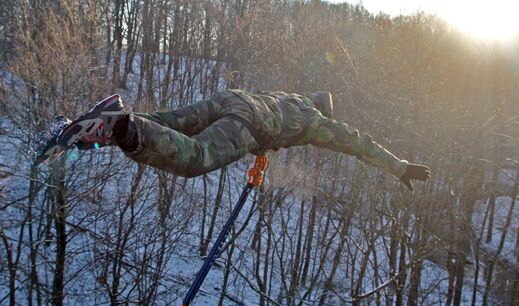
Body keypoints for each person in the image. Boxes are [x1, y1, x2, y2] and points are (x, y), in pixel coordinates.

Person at [40, 89, 430, 190]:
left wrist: (264, 149)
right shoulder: (315, 120)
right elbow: (358, 142)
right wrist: (398, 167)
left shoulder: (291, 96)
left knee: (169, 124)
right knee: (195, 159)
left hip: (232, 99)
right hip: (249, 122)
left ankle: (91, 126)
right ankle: (119, 124)